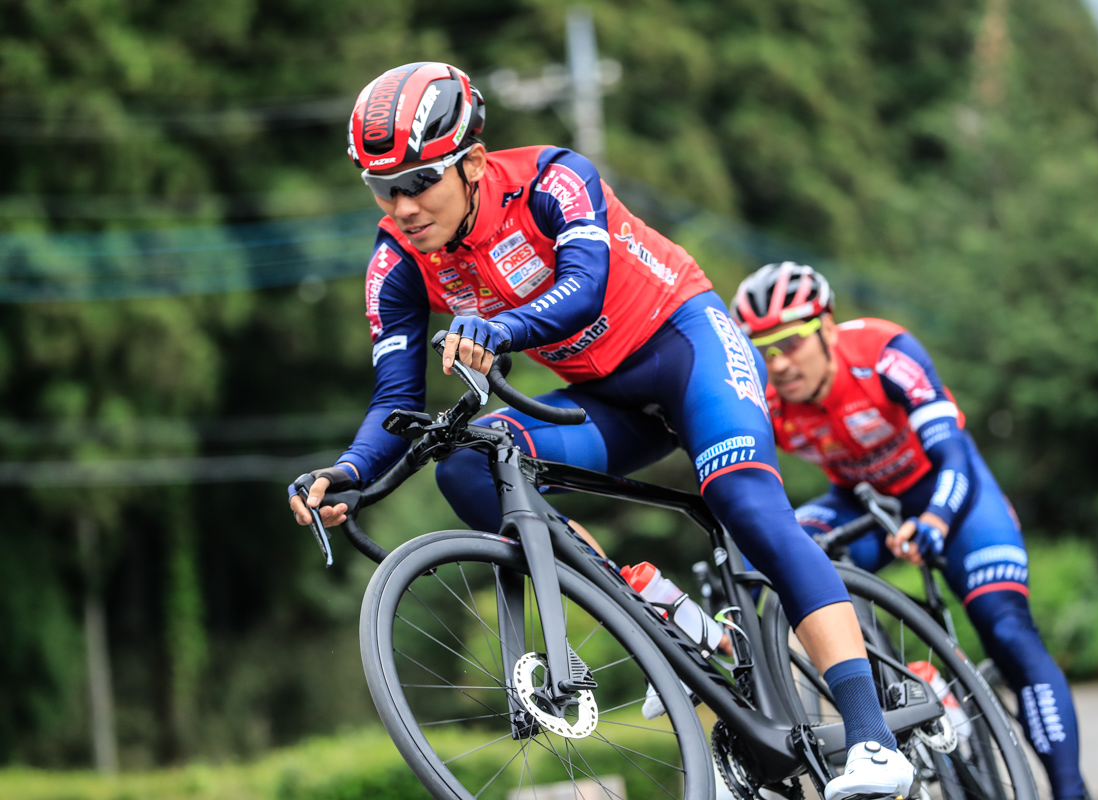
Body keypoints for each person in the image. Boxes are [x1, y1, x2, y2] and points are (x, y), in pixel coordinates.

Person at [288, 62, 912, 800]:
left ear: (474, 162)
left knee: (744, 502)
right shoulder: (396, 260)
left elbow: (583, 292)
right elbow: (395, 395)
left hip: (688, 349)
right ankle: (651, 614)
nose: (403, 206)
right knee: (467, 464)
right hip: (607, 397)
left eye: (421, 181)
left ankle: (873, 742)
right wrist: (351, 472)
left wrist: (499, 329)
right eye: (382, 190)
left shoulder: (554, 178)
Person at [729, 261, 1090, 800]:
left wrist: (937, 518)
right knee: (774, 551)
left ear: (827, 327)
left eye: (790, 341)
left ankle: (1070, 791)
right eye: (764, 347)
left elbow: (953, 453)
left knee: (1007, 629)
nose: (778, 363)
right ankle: (884, 698)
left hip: (953, 494)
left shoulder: (884, 353)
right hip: (862, 501)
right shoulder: (768, 398)